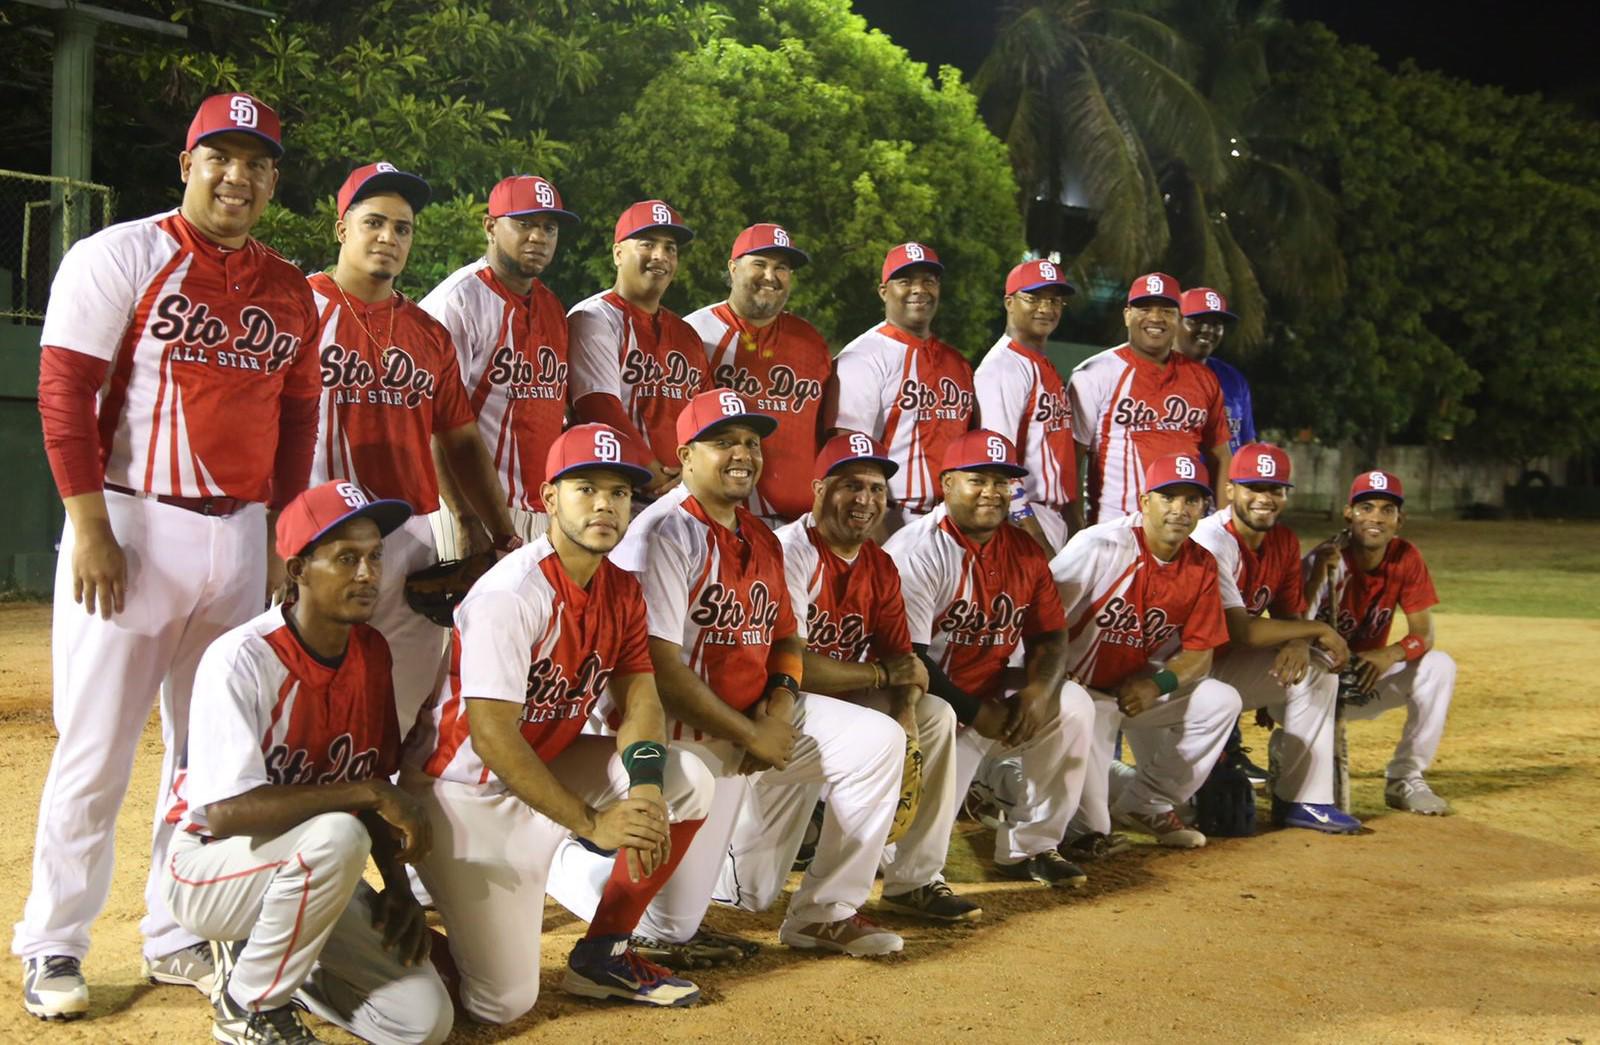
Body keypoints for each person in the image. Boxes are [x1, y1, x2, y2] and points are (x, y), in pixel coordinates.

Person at [20, 92, 320, 1020]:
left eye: (257, 161)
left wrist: (279, 537)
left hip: (237, 536)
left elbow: (299, 418)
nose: (238, 175)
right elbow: (64, 392)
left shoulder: (288, 287)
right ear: (185, 164)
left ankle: (175, 929)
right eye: (220, 156)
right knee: (98, 747)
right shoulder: (119, 255)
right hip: (131, 522)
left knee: (210, 753)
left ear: (273, 180)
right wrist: (91, 526)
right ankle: (55, 944)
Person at [551, 390, 906, 961]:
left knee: (876, 740)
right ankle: (557, 856)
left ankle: (826, 914)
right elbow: (660, 669)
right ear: (686, 455)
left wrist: (781, 708)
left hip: (745, 722)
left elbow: (787, 637)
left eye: (750, 442)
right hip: (679, 740)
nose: (742, 453)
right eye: (723, 442)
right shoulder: (662, 532)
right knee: (671, 928)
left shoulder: (760, 534)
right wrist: (749, 734)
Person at [401, 423, 713, 1021]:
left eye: (619, 493)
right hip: (464, 791)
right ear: (548, 499)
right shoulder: (512, 594)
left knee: (685, 778)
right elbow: (492, 737)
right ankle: (357, 927)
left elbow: (640, 699)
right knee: (501, 1003)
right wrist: (593, 821)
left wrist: (645, 787)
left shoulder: (620, 586)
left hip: (544, 766)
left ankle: (605, 952)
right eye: (586, 488)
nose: (604, 504)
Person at [162, 481, 452, 1045]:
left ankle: (276, 966)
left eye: (374, 556)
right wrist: (368, 795)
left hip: (307, 868)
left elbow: (367, 778)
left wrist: (397, 886)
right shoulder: (242, 657)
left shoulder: (370, 653)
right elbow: (223, 813)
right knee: (339, 835)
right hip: (208, 868)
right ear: (297, 570)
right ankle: (249, 1008)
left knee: (421, 1023)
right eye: (347, 558)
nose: (368, 574)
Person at [713, 432, 968, 921]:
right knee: (748, 895)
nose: (866, 500)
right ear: (818, 490)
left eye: (876, 489)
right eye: (851, 485)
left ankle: (911, 880)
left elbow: (905, 664)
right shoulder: (788, 551)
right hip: (776, 710)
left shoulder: (880, 564)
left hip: (838, 716)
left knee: (936, 715)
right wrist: (876, 675)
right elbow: (790, 666)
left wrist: (907, 716)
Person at [307, 162, 519, 729]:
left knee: (402, 701)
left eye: (402, 228)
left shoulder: (427, 333)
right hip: (319, 530)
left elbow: (462, 441)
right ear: (341, 230)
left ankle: (385, 808)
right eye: (374, 222)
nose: (389, 238)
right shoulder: (300, 310)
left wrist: (500, 531)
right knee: (307, 694)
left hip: (411, 535)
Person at [884, 430, 1095, 887]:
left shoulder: (1022, 549)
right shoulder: (917, 550)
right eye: (977, 480)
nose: (992, 493)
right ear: (947, 484)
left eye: (1002, 483)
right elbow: (909, 660)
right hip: (924, 708)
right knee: (894, 847)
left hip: (989, 700)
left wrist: (1038, 693)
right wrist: (978, 714)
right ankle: (909, 873)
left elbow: (1052, 635)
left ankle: (1032, 846)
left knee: (1073, 704)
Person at [1051, 453, 1242, 851]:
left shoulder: (1201, 564)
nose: (1179, 509)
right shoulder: (1100, 545)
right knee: (1092, 829)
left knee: (1220, 699)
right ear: (1144, 501)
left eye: (1191, 500)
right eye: (1168, 497)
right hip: (1075, 693)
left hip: (1132, 690)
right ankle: (995, 780)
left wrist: (1158, 685)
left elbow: (1200, 655)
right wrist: (1048, 679)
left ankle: (1147, 800)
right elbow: (1041, 619)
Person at [1189, 444, 1361, 833]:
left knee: (1315, 669)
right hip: (1176, 670)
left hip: (1220, 666)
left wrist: (1298, 642)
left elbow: (1289, 615)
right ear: (1230, 490)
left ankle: (1304, 800)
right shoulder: (1212, 541)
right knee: (1174, 804)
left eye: (1275, 489)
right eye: (1253, 487)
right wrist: (1315, 630)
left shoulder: (1282, 541)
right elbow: (1244, 631)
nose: (1265, 499)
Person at [418, 174, 577, 552]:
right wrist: (463, 516)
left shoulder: (553, 306)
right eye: (524, 224)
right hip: (467, 506)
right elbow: (431, 421)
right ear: (490, 226)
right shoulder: (457, 302)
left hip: (542, 507)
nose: (538, 237)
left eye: (548, 227)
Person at [1304, 471, 1457, 815]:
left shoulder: (1405, 557)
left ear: (1399, 520)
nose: (1375, 517)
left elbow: (1424, 634)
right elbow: (1295, 626)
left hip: (1364, 681)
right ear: (1348, 513)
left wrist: (1390, 654)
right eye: (1366, 507)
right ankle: (1290, 750)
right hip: (1314, 687)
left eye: (1387, 509)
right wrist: (1316, 577)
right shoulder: (1325, 560)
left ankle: (1405, 776)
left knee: (1439, 666)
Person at [826, 242, 976, 535]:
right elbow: (848, 457)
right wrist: (874, 534)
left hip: (953, 520)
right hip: (891, 517)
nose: (919, 289)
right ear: (884, 291)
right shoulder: (862, 357)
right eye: (905, 281)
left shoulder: (957, 363)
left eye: (928, 281)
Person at [687, 223, 831, 525]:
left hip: (803, 523)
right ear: (733, 267)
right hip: (723, 518)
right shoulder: (695, 334)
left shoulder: (810, 340)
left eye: (781, 267)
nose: (770, 276)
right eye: (760, 264)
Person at [569, 200, 711, 498]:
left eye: (670, 248)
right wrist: (653, 472)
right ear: (618, 253)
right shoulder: (593, 318)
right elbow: (598, 406)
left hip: (684, 493)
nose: (660, 256)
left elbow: (705, 415)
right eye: (647, 244)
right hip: (618, 492)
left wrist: (696, 474)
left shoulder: (686, 334)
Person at [1068, 273, 1231, 524]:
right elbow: (1071, 459)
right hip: (1117, 528)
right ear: (1127, 315)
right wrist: (1075, 524)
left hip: (1183, 528)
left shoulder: (1203, 378)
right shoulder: (1094, 374)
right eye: (1144, 308)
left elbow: (1220, 455)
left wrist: (1222, 524)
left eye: (1166, 310)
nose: (1155, 317)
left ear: (1178, 319)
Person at [974, 259, 1082, 554]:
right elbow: (997, 465)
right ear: (1009, 302)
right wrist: (1035, 538)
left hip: (1050, 515)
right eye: (1033, 298)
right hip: (1022, 520)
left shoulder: (1040, 363)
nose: (1046, 308)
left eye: (1054, 300)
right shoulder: (1002, 369)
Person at [1176, 287, 1254, 454]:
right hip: (1178, 477)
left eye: (1216, 324)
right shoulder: (1154, 373)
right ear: (1175, 321)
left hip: (1228, 478)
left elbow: (1247, 442)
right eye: (1197, 321)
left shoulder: (1233, 378)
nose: (1208, 329)